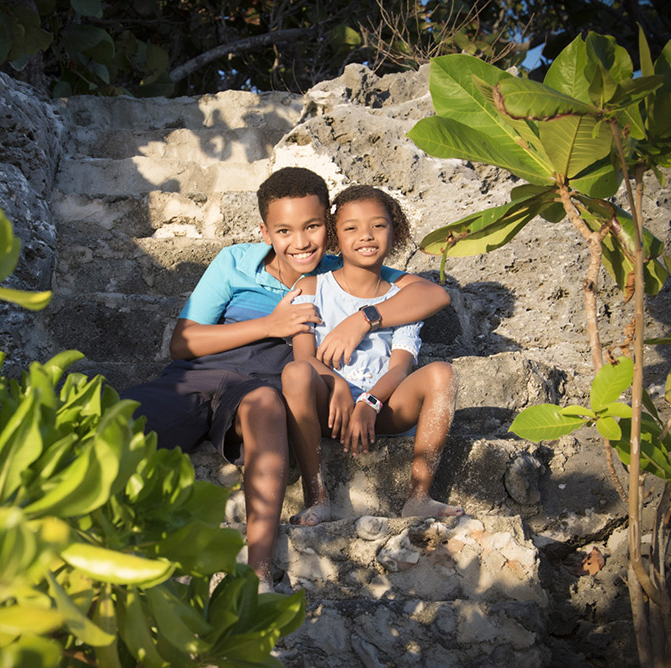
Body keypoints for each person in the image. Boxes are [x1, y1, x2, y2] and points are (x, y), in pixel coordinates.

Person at [120, 168, 451, 583]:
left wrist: (364, 320)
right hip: (195, 376)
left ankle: (258, 574)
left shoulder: (342, 268)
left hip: (261, 388)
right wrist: (271, 324)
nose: (301, 242)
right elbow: (183, 343)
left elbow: (432, 293)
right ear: (265, 232)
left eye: (313, 227)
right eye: (284, 231)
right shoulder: (235, 262)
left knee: (266, 404)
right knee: (117, 424)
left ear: (329, 229)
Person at [284, 185, 463, 521]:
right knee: (294, 374)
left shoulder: (402, 298)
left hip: (384, 408)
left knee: (443, 372)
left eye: (378, 226)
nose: (365, 236)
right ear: (335, 236)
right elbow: (303, 358)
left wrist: (370, 402)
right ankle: (317, 497)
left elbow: (400, 369)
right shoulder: (312, 288)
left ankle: (419, 497)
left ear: (395, 232)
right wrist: (337, 386)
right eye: (351, 228)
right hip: (329, 409)